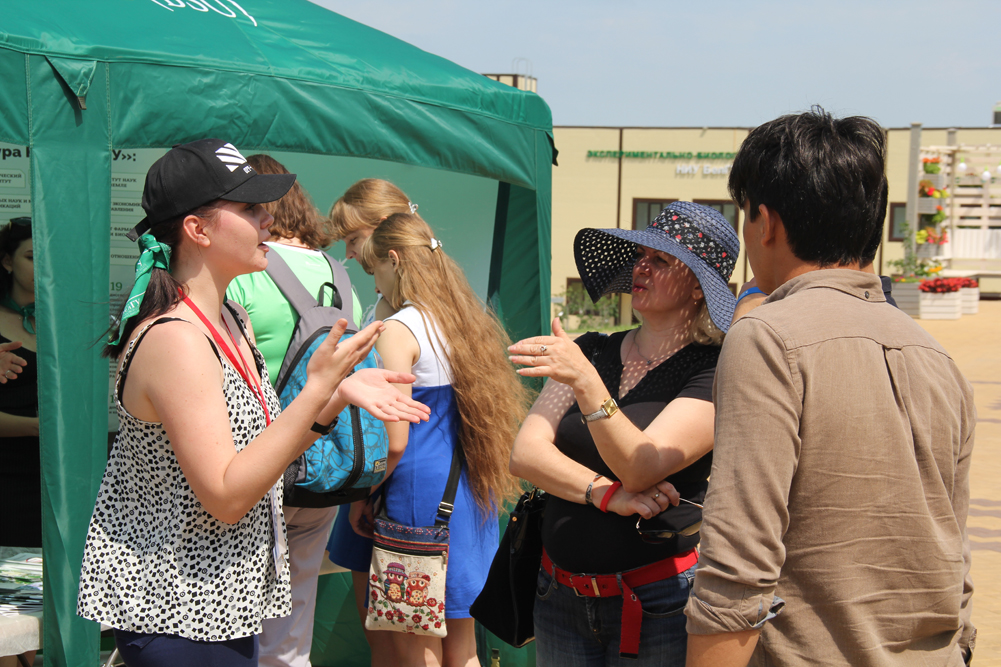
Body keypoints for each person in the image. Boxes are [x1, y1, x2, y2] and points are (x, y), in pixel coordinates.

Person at [77, 139, 429, 667]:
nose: (268, 219)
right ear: (197, 229)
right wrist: (316, 392)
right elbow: (226, 495)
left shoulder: (231, 319)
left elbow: (262, 451)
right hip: (177, 611)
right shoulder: (176, 338)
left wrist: (331, 401)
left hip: (224, 603)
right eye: (249, 208)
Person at [684, 108, 976, 667]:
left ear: (766, 223)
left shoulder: (767, 336)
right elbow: (954, 551)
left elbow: (738, 559)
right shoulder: (937, 356)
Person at [507, 201, 739, 666]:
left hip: (657, 602)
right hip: (559, 594)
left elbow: (641, 465)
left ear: (698, 286)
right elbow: (526, 454)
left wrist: (585, 381)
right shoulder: (591, 349)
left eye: (662, 260)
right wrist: (606, 494)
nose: (641, 267)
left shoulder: (715, 369)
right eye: (640, 255)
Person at [351, 212, 529, 667]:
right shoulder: (463, 320)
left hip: (416, 498)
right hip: (470, 493)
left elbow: (395, 441)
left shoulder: (398, 331)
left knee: (416, 640)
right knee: (462, 646)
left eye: (376, 269)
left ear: (394, 260)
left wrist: (362, 497)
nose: (376, 284)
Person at [226, 154, 342, 667]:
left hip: (256, 459)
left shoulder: (243, 272)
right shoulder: (336, 272)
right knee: (295, 615)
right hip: (323, 460)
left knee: (237, 612)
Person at [326, 177, 418, 665]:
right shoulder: (443, 306)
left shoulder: (394, 318)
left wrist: (362, 494)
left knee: (391, 640)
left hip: (388, 483)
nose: (347, 252)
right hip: (428, 485)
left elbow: (395, 432)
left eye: (353, 237)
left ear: (385, 232)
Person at [0, 216, 40, 551]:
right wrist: (37, 428)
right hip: (6, 473)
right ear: (7, 262)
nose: (42, 267)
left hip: (54, 473)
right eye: (31, 257)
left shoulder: (65, 322)